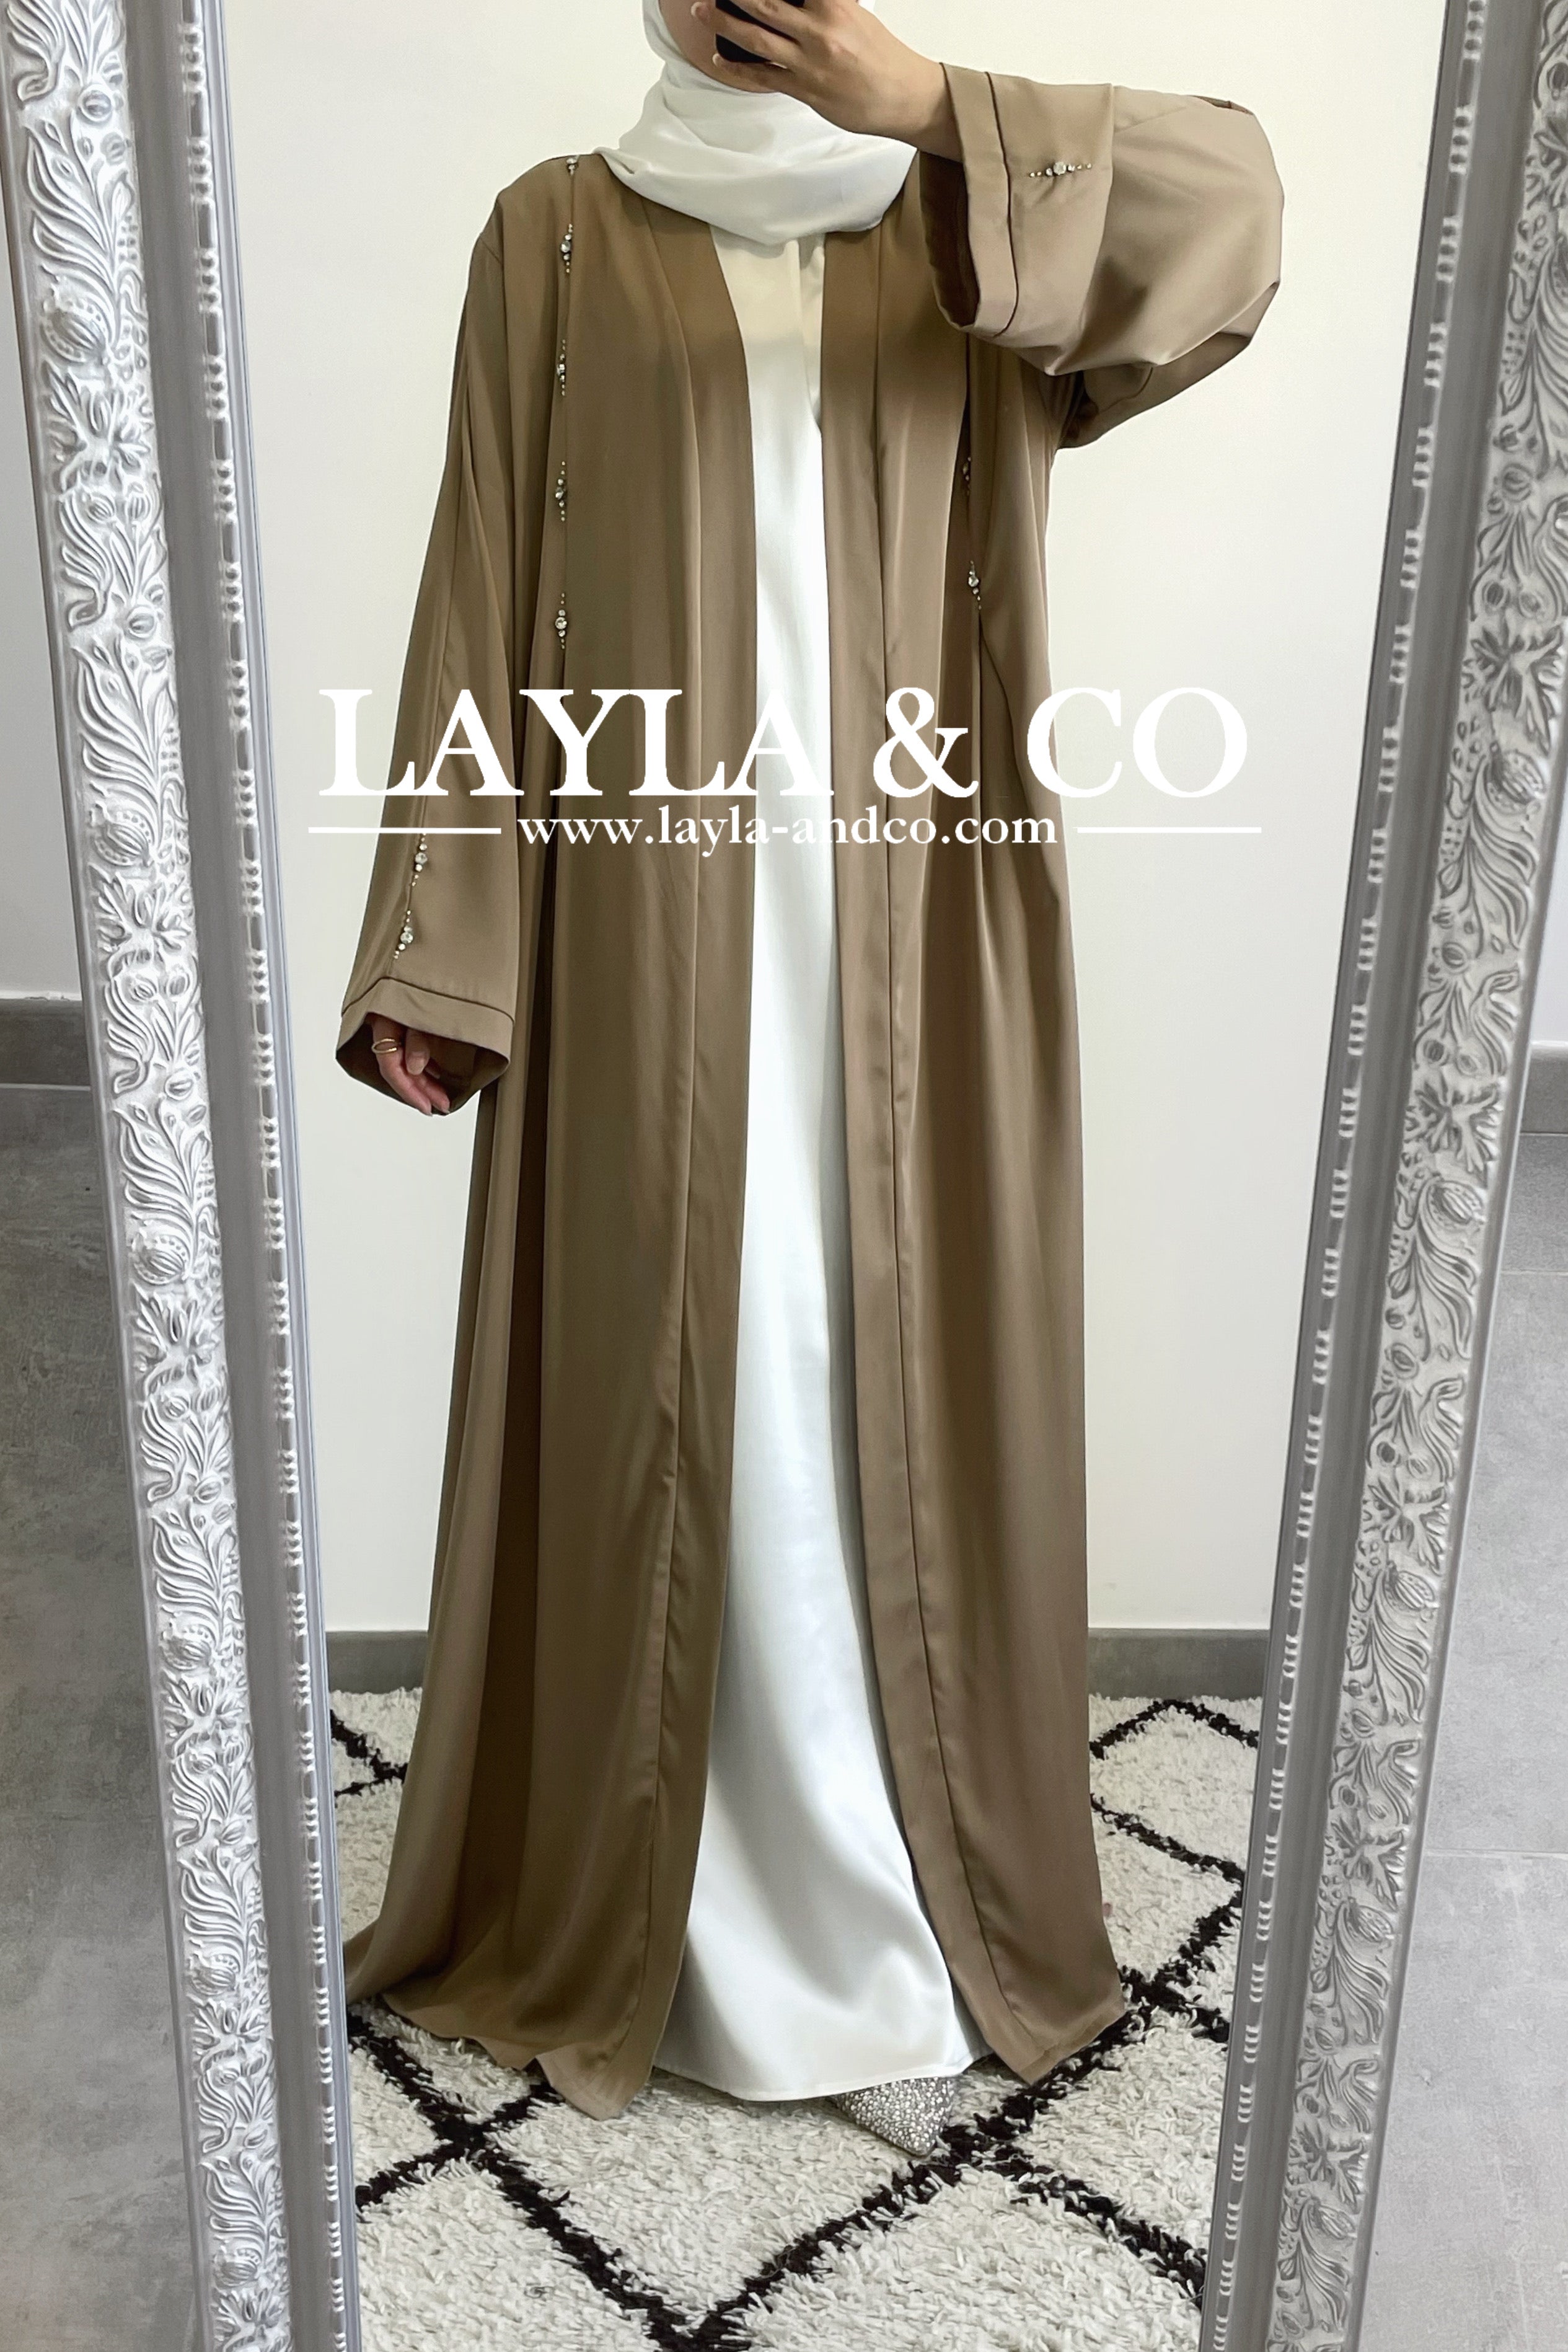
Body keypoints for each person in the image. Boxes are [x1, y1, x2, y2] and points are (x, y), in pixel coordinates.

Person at [337, 0, 1282, 2154]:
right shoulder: (553, 233)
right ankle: (652, 1908)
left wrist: (925, 109)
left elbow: (1236, 215)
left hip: (908, 928)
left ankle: (900, 1888)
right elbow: (477, 578)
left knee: (887, 1352)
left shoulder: (975, 217)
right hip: (633, 920)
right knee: (696, 1358)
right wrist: (446, 942)